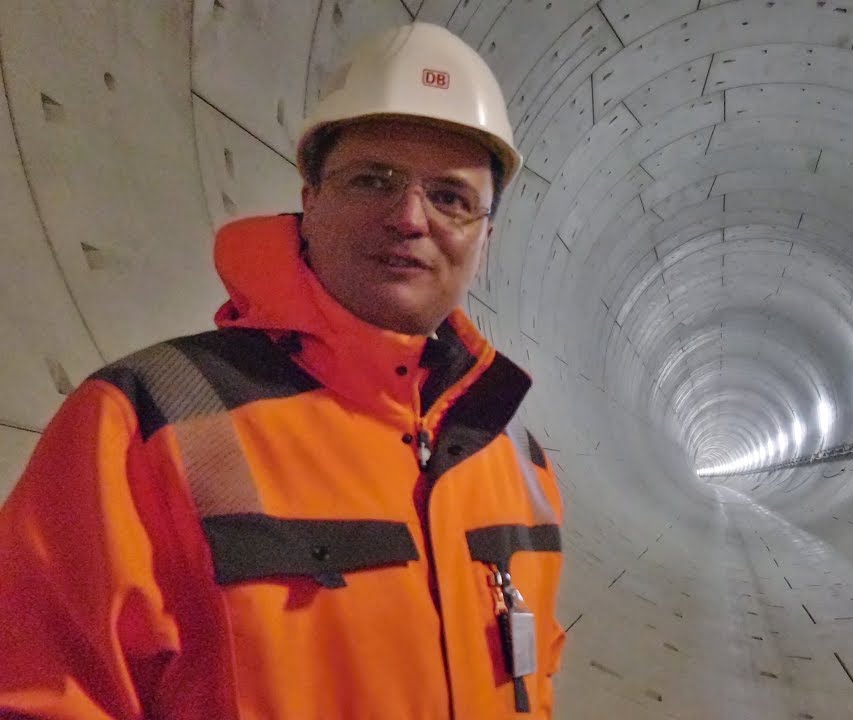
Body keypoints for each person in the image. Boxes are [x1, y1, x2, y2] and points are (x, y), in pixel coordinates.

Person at [0, 22, 565, 719]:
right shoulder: (145, 424)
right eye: (373, 180)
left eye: (451, 197)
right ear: (311, 197)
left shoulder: (519, 462)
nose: (409, 217)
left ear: (486, 238)